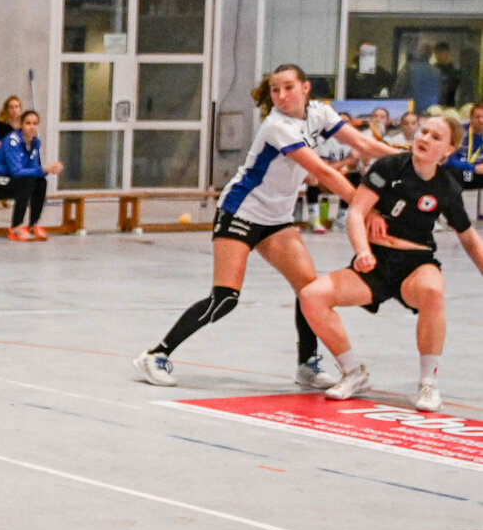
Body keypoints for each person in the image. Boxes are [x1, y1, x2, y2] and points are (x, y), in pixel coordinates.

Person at [133, 65, 394, 389]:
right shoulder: (277, 126)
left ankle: (307, 365)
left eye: (288, 87)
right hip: (241, 211)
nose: (281, 95)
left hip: (277, 219)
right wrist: (365, 209)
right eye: (275, 90)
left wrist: (410, 161)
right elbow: (323, 173)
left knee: (309, 292)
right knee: (225, 297)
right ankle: (156, 355)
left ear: (305, 88)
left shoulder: (319, 113)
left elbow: (365, 146)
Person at [300, 115, 483, 412]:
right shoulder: (390, 166)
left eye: (436, 137)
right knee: (311, 296)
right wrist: (362, 251)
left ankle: (428, 382)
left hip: (416, 263)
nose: (425, 138)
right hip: (375, 261)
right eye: (424, 131)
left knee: (433, 291)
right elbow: (357, 212)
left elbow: (470, 239)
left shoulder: (447, 187)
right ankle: (353, 372)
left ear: (448, 150)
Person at [0, 110, 63, 241]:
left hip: (11, 181)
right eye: (28, 123)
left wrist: (46, 170)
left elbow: (32, 169)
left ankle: (33, 225)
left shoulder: (35, 143)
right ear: (21, 125)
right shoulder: (12, 141)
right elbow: (16, 171)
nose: (31, 127)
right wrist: (43, 169)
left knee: (40, 181)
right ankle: (15, 228)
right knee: (26, 182)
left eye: (35, 123)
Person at [444, 102, 483, 191]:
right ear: (471, 118)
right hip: (459, 171)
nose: (481, 121)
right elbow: (447, 159)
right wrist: (474, 168)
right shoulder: (458, 130)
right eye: (477, 117)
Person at [392, 45, 442, 114]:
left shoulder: (408, 68)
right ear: (430, 55)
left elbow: (397, 92)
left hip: (410, 110)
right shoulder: (437, 71)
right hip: (431, 111)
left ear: (417, 53)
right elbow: (440, 94)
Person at [433, 42, 462, 108]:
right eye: (437, 53)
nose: (439, 56)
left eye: (442, 53)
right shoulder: (433, 70)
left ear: (447, 53)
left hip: (449, 104)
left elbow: (456, 89)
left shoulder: (453, 71)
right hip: (435, 104)